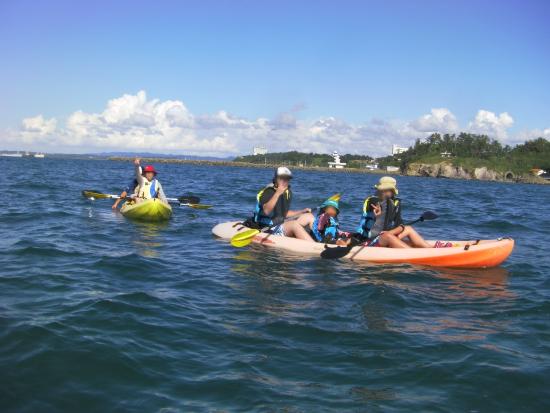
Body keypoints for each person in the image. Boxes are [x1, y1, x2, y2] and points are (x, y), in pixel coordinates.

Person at [354, 176, 442, 248]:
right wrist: (377, 212)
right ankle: (413, 253)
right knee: (387, 236)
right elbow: (374, 204)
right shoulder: (371, 200)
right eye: (390, 190)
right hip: (368, 240)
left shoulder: (395, 202)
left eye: (390, 190)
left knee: (408, 229)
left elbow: (400, 223)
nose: (392, 193)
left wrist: (391, 232)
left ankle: (430, 249)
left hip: (386, 236)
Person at [251, 166, 314, 240]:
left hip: (279, 224)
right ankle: (315, 247)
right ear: (276, 179)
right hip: (267, 228)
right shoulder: (268, 192)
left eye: (287, 179)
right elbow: (266, 211)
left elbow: (284, 214)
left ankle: (320, 241)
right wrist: (277, 193)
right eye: (281, 178)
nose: (284, 181)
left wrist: (302, 211)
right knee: (294, 225)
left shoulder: (287, 192)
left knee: (308, 216)